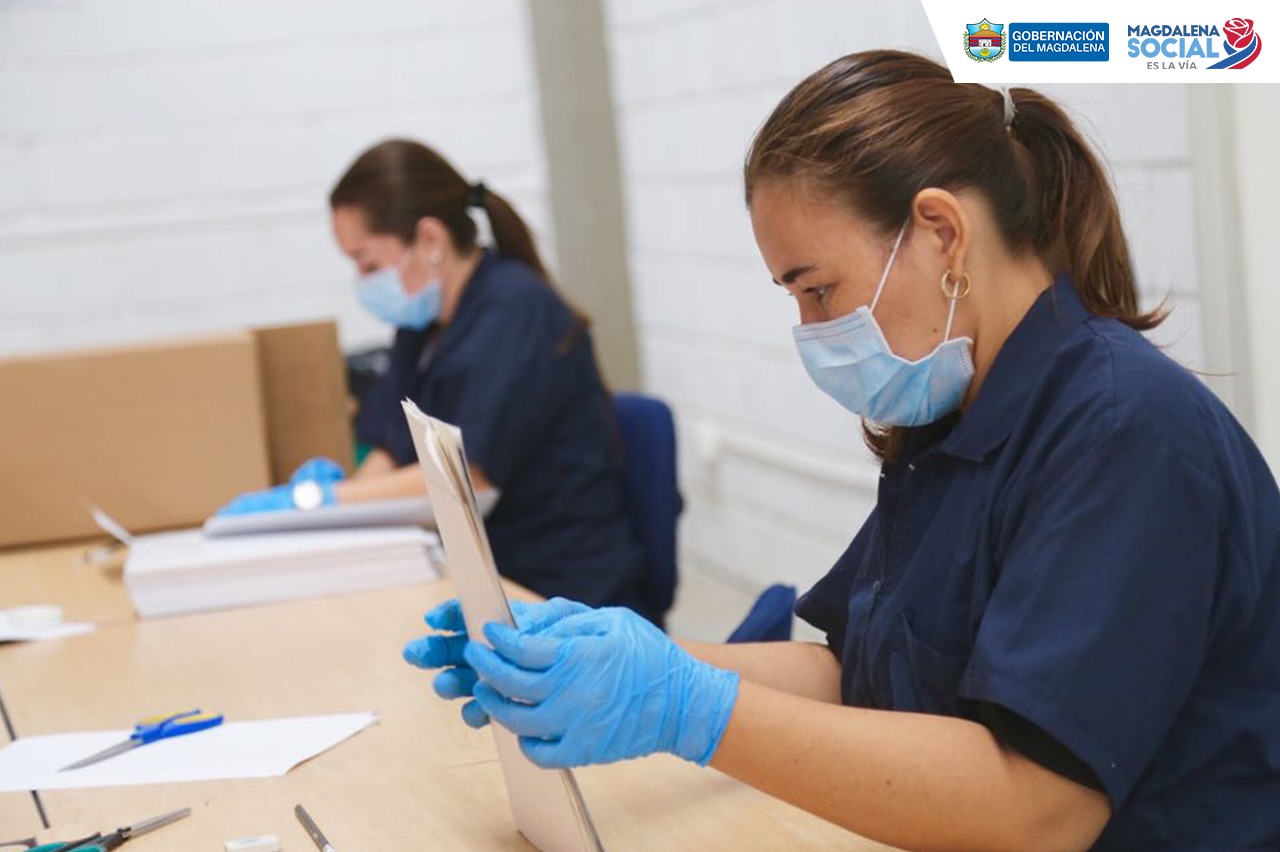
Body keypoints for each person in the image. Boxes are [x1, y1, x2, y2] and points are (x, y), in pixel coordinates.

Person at [402, 51, 1280, 851]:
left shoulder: (1126, 433)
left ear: (941, 233)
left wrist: (686, 707)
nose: (811, 332)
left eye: (819, 290)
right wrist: (606, 661)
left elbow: (1036, 807)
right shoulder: (955, 411)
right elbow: (852, 670)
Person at [221, 139, 645, 609]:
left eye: (368, 263)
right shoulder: (421, 325)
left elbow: (467, 480)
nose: (364, 281)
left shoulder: (516, 312)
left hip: (557, 588)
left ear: (430, 240)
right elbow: (389, 447)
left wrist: (320, 502)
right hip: (476, 572)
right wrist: (332, 507)